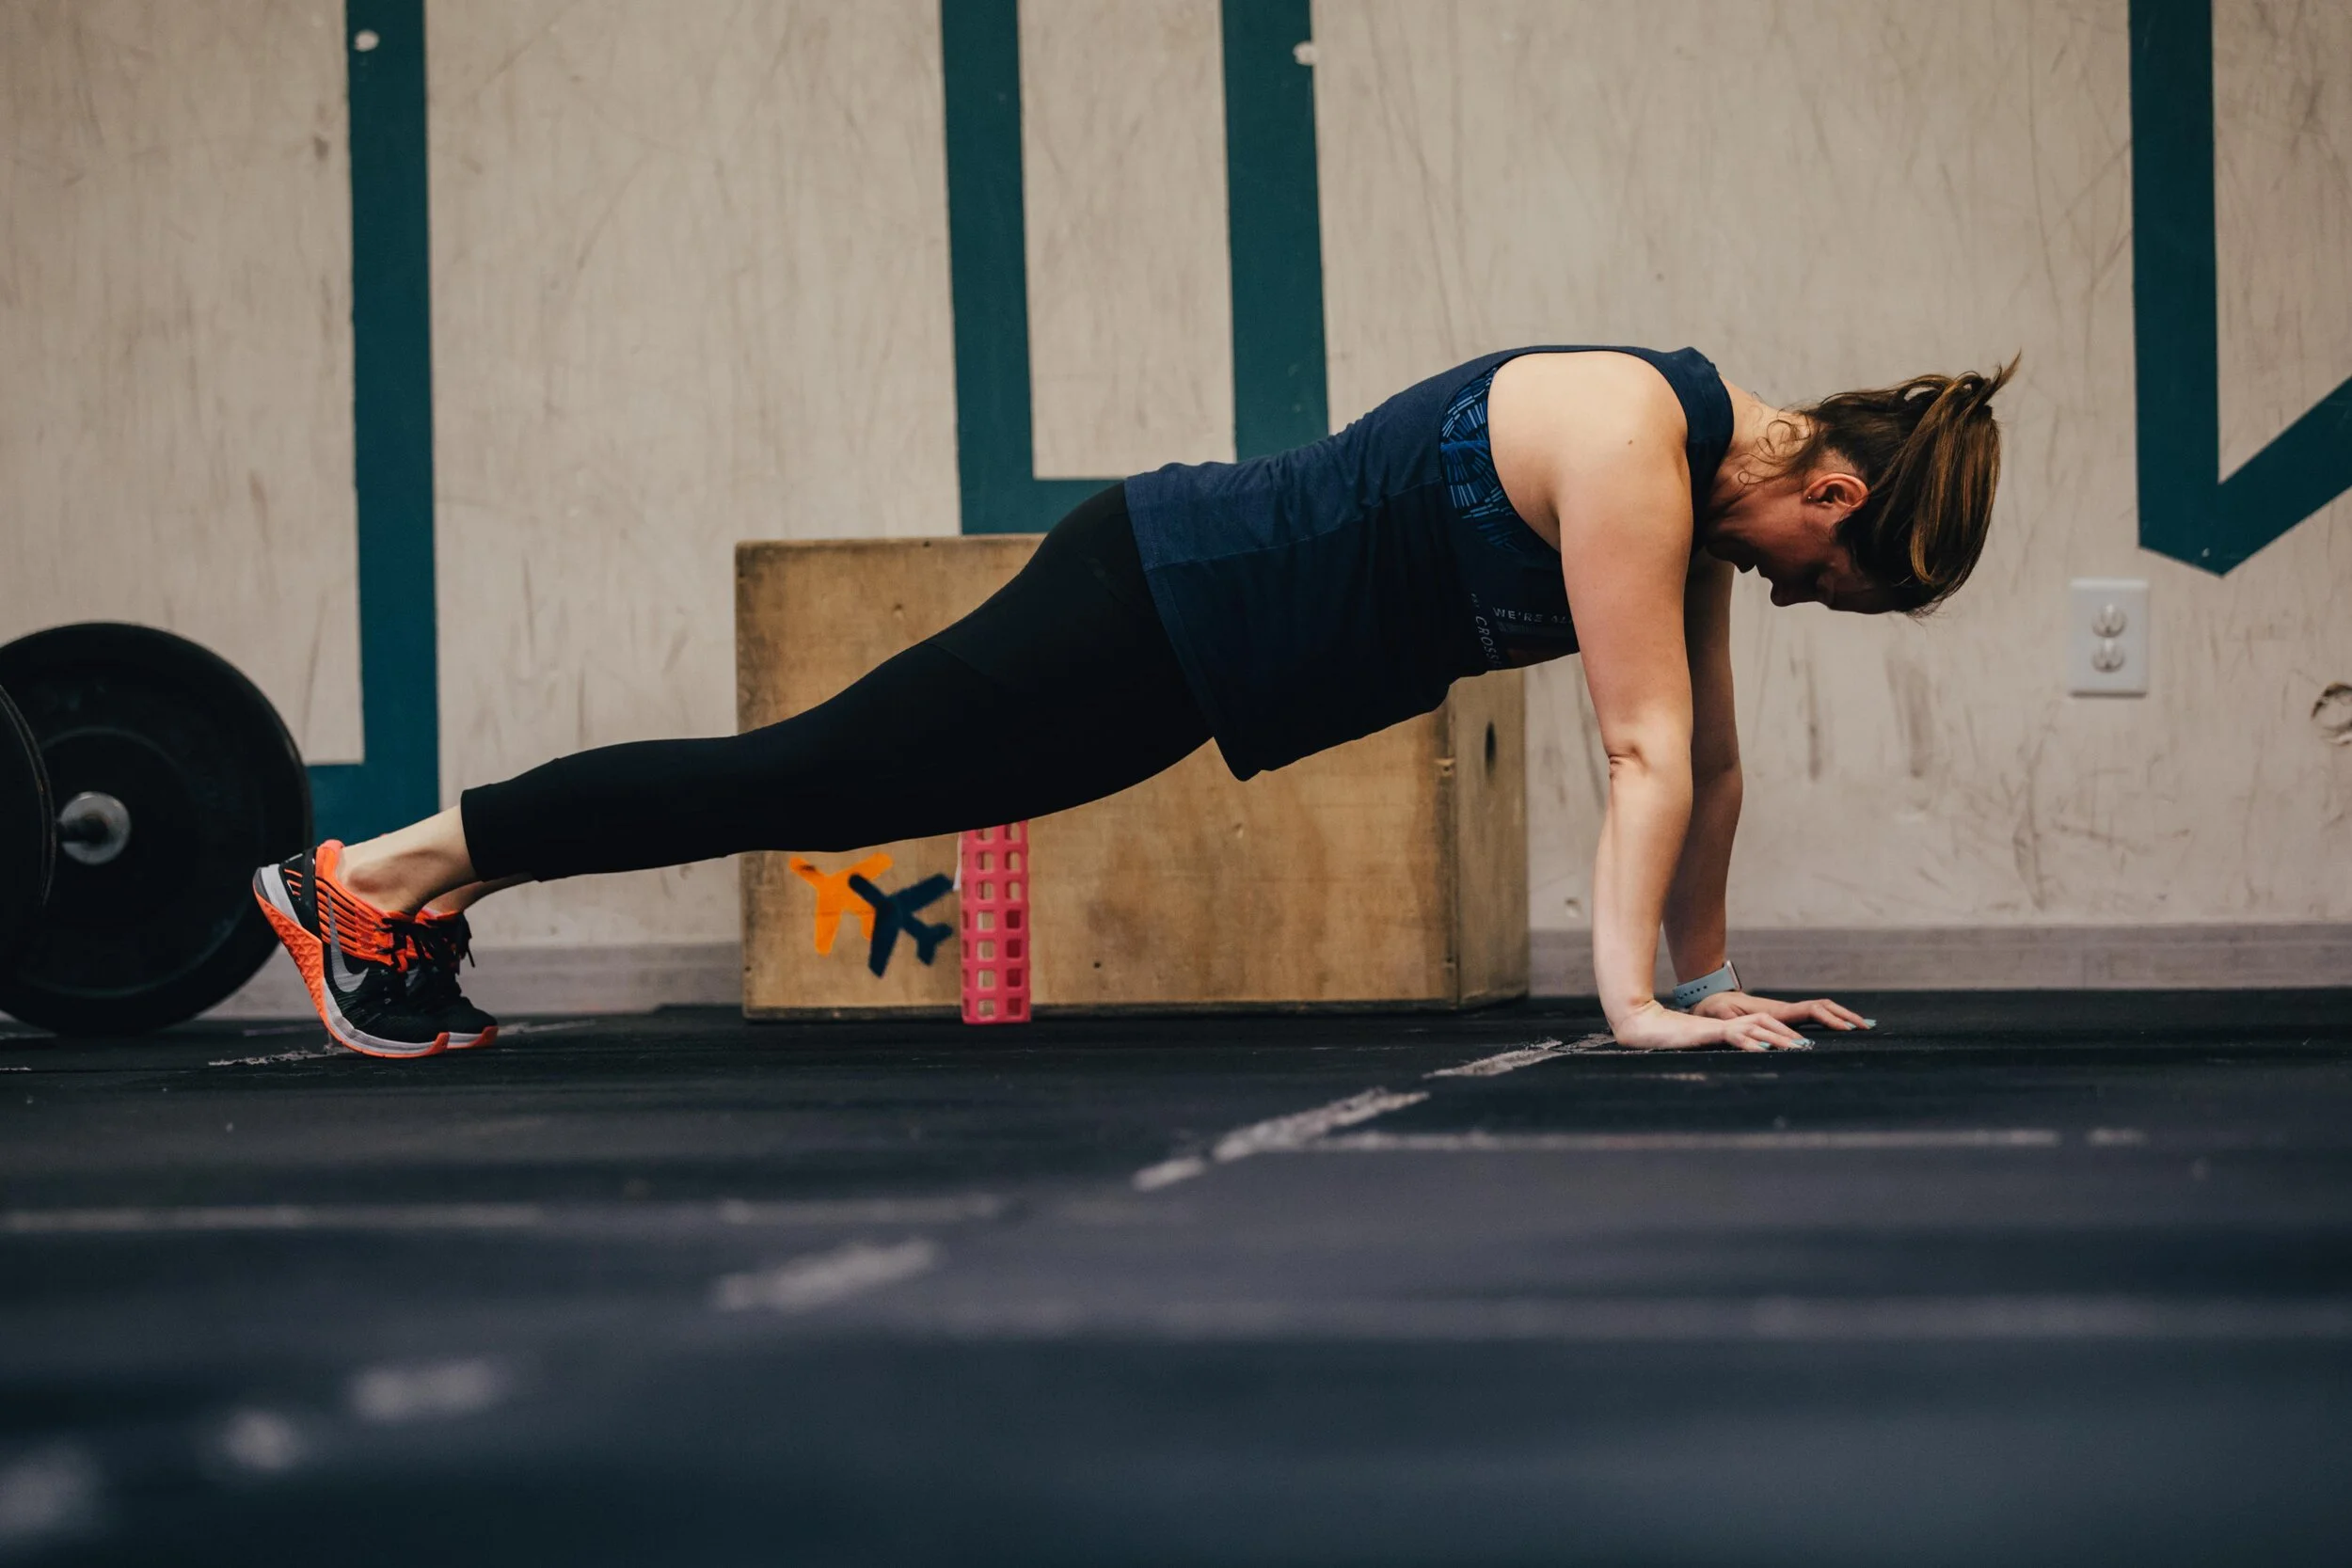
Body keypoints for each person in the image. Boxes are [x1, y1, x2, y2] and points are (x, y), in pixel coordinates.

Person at [251, 344, 2012, 1059]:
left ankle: (418, 899)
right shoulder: (1641, 439)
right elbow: (1635, 749)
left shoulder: (1702, 492)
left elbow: (1705, 762)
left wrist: (1710, 979)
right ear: (1837, 496)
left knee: (833, 798)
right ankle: (381, 874)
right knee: (800, 771)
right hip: (1165, 591)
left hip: (1200, 658)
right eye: (1829, 580)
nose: (1797, 594)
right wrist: (1633, 1008)